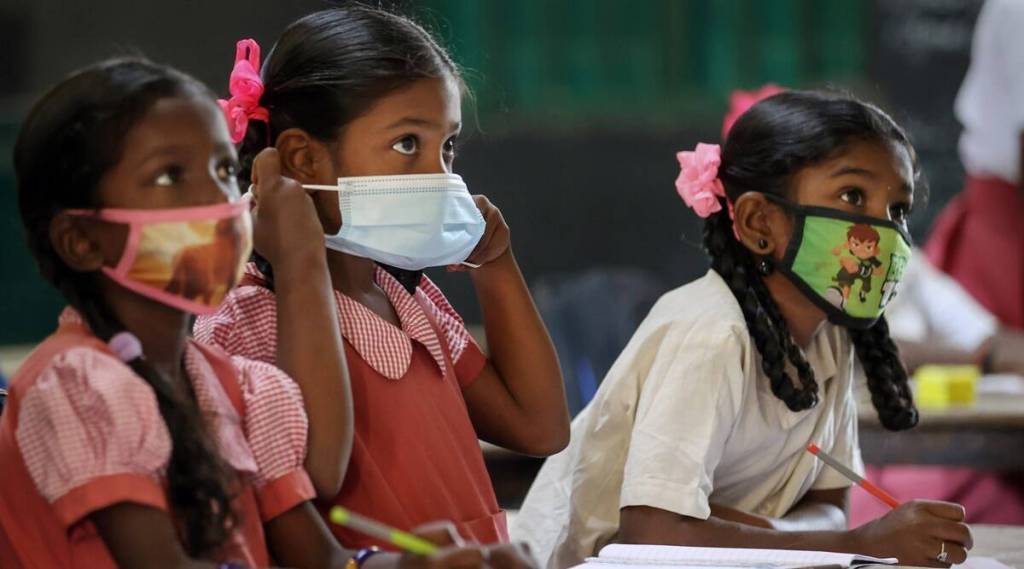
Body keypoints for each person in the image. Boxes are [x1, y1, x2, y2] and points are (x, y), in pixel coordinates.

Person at [0, 56, 534, 569]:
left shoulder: (234, 388)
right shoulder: (78, 384)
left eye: (223, 169)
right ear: (80, 239)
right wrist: (301, 261)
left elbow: (325, 559)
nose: (215, 197)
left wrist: (413, 566)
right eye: (170, 176)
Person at [512, 91, 972, 569]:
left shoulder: (832, 337)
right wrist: (862, 544)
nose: (884, 230)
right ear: (758, 222)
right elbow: (651, 535)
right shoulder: (712, 334)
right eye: (853, 196)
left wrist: (753, 530)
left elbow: (831, 507)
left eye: (897, 210)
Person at [194, 5, 569, 549]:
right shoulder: (246, 324)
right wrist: (298, 258)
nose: (440, 178)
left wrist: (494, 265)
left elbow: (540, 427)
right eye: (407, 145)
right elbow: (305, 479)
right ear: (302, 160)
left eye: (447, 147)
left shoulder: (404, 295)